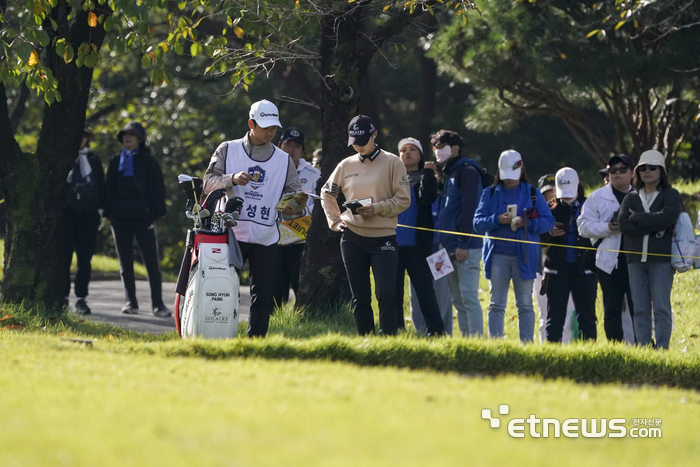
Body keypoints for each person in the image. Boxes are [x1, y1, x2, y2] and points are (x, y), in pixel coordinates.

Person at [203, 99, 307, 337]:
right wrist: (231, 179)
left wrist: (292, 206)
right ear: (251, 123)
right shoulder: (227, 149)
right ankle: (221, 336)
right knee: (223, 290)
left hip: (266, 237)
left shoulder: (283, 159)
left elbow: (296, 194)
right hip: (229, 234)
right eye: (265, 127)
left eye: (274, 128)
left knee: (262, 295)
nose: (271, 132)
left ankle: (255, 343)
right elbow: (207, 183)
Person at [321, 115, 410, 335]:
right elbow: (327, 193)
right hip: (352, 237)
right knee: (359, 296)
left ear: (374, 135)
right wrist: (335, 221)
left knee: (386, 292)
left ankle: (388, 339)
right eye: (355, 141)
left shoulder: (392, 162)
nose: (359, 146)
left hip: (383, 237)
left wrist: (377, 208)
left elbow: (403, 199)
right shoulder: (346, 165)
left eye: (363, 140)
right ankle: (366, 339)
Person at [473, 150, 555, 343]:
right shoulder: (490, 193)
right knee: (496, 304)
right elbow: (477, 223)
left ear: (521, 171)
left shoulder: (533, 193)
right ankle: (495, 345)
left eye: (513, 175)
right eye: (506, 175)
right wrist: (497, 220)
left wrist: (528, 224)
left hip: (524, 258)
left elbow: (548, 221)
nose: (510, 180)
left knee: (525, 304)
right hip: (497, 256)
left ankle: (526, 345)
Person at [104, 121, 170, 317]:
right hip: (121, 218)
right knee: (125, 263)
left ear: (140, 138)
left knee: (152, 263)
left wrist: (152, 212)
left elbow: (158, 190)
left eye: (132, 134)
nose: (127, 137)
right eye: (125, 134)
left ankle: (158, 304)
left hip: (143, 218)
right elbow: (109, 189)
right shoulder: (116, 161)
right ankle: (130, 302)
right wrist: (111, 212)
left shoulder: (149, 161)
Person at [619, 150, 681, 349]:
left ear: (661, 171)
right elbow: (623, 225)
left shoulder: (671, 195)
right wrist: (654, 224)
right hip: (635, 261)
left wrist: (637, 218)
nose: (647, 171)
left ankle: (662, 349)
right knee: (639, 309)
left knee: (662, 308)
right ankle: (644, 348)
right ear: (638, 172)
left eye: (652, 168)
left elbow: (667, 218)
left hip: (661, 261)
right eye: (643, 168)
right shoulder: (631, 197)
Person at [578, 154, 637, 344]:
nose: (617, 173)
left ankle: (642, 347)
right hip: (609, 262)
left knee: (640, 307)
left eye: (622, 169)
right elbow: (583, 226)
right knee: (611, 308)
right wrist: (607, 228)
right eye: (613, 170)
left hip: (638, 260)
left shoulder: (642, 195)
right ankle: (615, 347)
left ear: (632, 173)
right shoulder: (597, 197)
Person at [431, 129, 485, 337]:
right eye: (435, 148)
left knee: (469, 296)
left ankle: (477, 342)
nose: (437, 152)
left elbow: (470, 208)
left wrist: (463, 241)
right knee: (457, 299)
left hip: (466, 247)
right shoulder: (449, 173)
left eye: (441, 147)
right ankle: (466, 340)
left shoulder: (468, 171)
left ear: (455, 148)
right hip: (447, 246)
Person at [540, 168, 597, 342]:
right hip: (557, 270)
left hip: (585, 270)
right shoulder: (549, 209)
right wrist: (550, 233)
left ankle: (589, 356)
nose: (567, 197)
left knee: (587, 318)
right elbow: (537, 238)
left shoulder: (591, 206)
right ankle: (552, 357)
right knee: (555, 319)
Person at [394, 137, 444, 336]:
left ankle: (436, 332)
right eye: (403, 149)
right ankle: (395, 331)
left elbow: (427, 198)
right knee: (393, 293)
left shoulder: (427, 177)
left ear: (421, 155)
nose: (407, 152)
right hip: (393, 245)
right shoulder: (391, 178)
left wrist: (428, 173)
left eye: (412, 149)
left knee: (425, 292)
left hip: (419, 247)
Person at [272, 127, 321, 305]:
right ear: (279, 146)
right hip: (274, 237)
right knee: (275, 290)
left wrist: (302, 211)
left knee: (301, 287)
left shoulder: (314, 174)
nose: (292, 149)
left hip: (301, 240)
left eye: (297, 146)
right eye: (288, 144)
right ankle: (275, 325)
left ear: (302, 150)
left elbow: (322, 203)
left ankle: (302, 324)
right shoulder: (270, 169)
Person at [61, 128, 105, 315]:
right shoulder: (64, 158)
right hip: (68, 214)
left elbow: (101, 186)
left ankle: (81, 298)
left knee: (84, 260)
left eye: (84, 136)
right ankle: (62, 297)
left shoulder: (93, 160)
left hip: (88, 215)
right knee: (64, 258)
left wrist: (100, 211)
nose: (81, 140)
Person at [410, 161, 454, 335]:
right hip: (418, 250)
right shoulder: (417, 196)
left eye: (435, 173)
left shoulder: (443, 198)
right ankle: (421, 335)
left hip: (439, 252)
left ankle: (444, 335)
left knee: (442, 296)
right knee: (417, 295)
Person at [534, 174, 576, 344]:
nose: (551, 197)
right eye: (546, 194)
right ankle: (546, 352)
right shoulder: (535, 214)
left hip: (567, 269)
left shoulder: (570, 210)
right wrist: (549, 233)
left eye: (554, 192)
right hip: (541, 271)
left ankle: (565, 353)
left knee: (567, 317)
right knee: (546, 316)